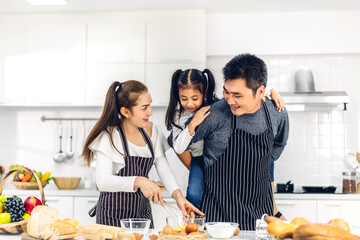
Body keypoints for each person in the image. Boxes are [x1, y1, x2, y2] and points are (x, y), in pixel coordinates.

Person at [188, 54, 289, 230]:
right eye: (227, 92)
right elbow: (179, 142)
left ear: (260, 91)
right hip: (218, 224)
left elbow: (276, 149)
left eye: (237, 95)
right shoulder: (215, 115)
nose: (230, 100)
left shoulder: (276, 112)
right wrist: (197, 168)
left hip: (261, 223)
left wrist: (273, 207)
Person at [82, 80, 202, 227]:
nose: (150, 112)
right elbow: (102, 181)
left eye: (150, 105)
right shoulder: (110, 135)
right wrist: (139, 180)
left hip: (142, 216)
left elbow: (164, 169)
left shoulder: (153, 131)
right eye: (144, 108)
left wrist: (178, 197)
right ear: (126, 112)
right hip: (112, 216)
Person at [165, 68, 286, 214]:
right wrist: (193, 124)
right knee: (194, 195)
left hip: (251, 198)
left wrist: (272, 91)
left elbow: (249, 90)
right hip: (199, 159)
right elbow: (176, 145)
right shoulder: (181, 116)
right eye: (184, 99)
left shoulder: (215, 105)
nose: (189, 103)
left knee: (268, 159)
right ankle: (194, 222)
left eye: (194, 98)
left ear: (204, 93)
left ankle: (273, 209)